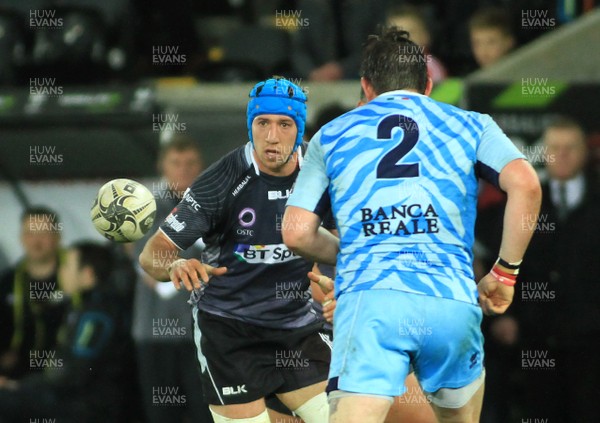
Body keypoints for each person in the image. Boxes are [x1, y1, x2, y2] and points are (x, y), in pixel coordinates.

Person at [282, 27, 541, 423]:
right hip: (450, 299)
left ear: (366, 87)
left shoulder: (331, 135)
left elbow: (296, 232)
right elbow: (526, 184)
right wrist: (505, 273)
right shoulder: (473, 124)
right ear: (429, 84)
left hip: (371, 303)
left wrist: (357, 251)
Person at [139, 77, 335, 423]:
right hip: (229, 332)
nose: (272, 136)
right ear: (250, 125)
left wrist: (345, 289)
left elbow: (346, 238)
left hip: (296, 327)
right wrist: (174, 266)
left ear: (299, 127)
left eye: (284, 124)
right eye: (262, 123)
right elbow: (152, 253)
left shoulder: (320, 171)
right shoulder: (221, 181)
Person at [0, 241, 133, 422]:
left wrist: (18, 386)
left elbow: (73, 372)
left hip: (86, 405)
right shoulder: (87, 306)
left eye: (67, 265)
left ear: (87, 274)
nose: (62, 271)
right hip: (74, 397)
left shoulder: (97, 316)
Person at [131, 136, 213, 422]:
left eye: (190, 163)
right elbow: (152, 272)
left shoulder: (216, 209)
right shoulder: (144, 212)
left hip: (203, 334)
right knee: (162, 415)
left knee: (204, 413)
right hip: (154, 334)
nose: (183, 171)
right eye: (176, 163)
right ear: (162, 166)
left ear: (201, 166)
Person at [0, 207, 69, 379]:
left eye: (43, 233)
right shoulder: (8, 282)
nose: (36, 241)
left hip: (65, 375)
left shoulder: (75, 280)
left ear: (57, 238)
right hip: (16, 377)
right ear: (21, 238)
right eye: (30, 233)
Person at [386, 5, 447, 83]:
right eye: (395, 34)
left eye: (410, 33)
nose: (402, 40)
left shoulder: (431, 69)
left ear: (425, 36)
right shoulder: (381, 67)